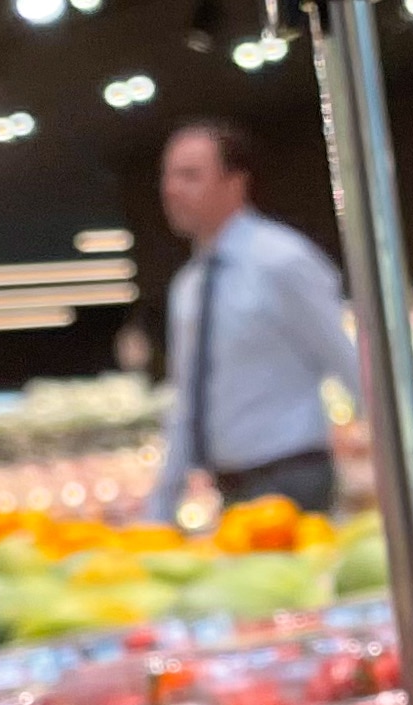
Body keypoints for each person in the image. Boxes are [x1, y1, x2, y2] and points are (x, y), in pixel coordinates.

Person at [145, 120, 359, 523]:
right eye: (168, 176)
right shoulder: (188, 286)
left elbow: (346, 360)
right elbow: (187, 397)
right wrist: (162, 504)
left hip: (295, 477)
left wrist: (407, 466)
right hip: (228, 489)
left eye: (190, 176)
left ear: (235, 183)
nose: (172, 190)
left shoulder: (283, 260)